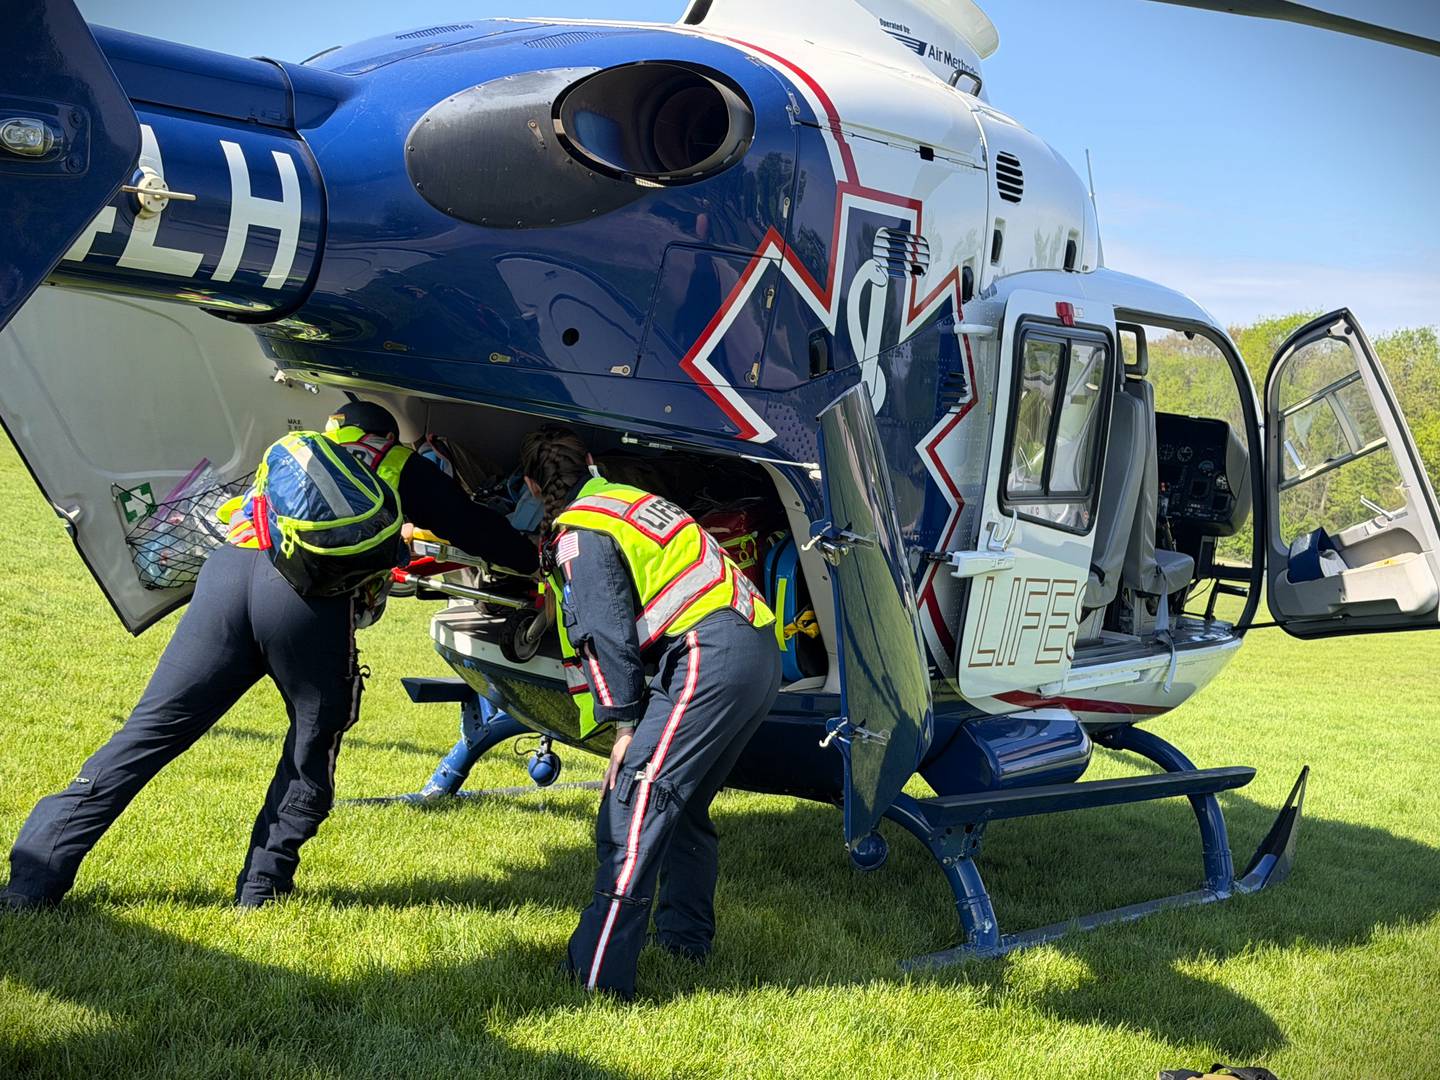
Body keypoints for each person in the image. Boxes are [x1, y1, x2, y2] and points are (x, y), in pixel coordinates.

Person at [1, 401, 537, 911]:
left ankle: (33, 878)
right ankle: (263, 885)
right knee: (313, 738)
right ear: (386, 437)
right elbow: (477, 530)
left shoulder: (294, 451)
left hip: (226, 577)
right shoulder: (398, 464)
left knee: (150, 731)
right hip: (305, 605)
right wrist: (534, 557)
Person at [519, 426, 781, 998]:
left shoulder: (579, 532)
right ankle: (685, 945)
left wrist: (626, 725)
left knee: (633, 804)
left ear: (532, 487)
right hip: (756, 650)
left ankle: (596, 978)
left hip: (707, 655)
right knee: (681, 808)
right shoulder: (634, 500)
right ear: (590, 463)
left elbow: (603, 631)